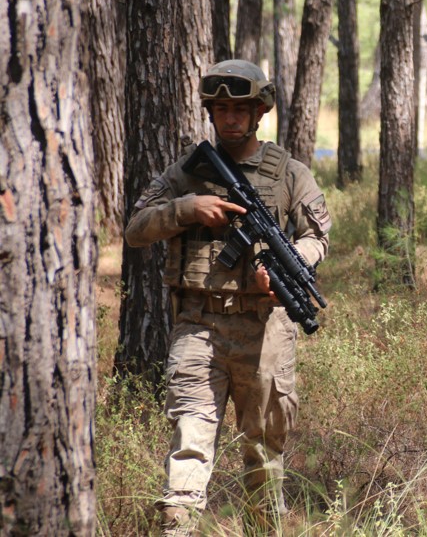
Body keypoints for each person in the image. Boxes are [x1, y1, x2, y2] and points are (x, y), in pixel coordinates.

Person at [124, 60, 331, 535]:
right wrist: (187, 208)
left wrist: (283, 269)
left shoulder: (288, 173)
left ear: (259, 112)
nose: (231, 118)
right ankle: (177, 525)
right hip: (198, 325)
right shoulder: (186, 171)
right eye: (221, 109)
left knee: (262, 452)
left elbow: (317, 236)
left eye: (241, 108)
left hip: (264, 328)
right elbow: (136, 229)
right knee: (190, 443)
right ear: (210, 113)